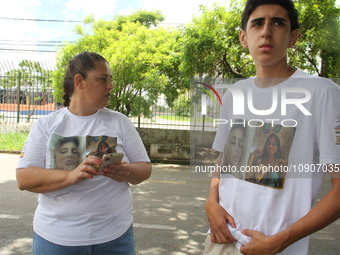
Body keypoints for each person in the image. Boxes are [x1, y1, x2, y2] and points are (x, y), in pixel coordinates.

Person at [204, 1, 340, 255]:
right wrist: (211, 201)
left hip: (278, 248)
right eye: (257, 23)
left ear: (293, 37)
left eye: (278, 23)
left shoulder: (323, 94)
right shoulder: (235, 93)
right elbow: (224, 160)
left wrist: (281, 240)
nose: (266, 31)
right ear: (244, 37)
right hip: (222, 240)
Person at [16, 51, 152, 255]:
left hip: (115, 239)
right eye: (102, 79)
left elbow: (145, 168)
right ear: (79, 81)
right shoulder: (47, 125)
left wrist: (129, 171)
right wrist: (70, 176)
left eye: (110, 79)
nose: (110, 86)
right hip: (56, 240)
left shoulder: (119, 122)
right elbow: (24, 178)